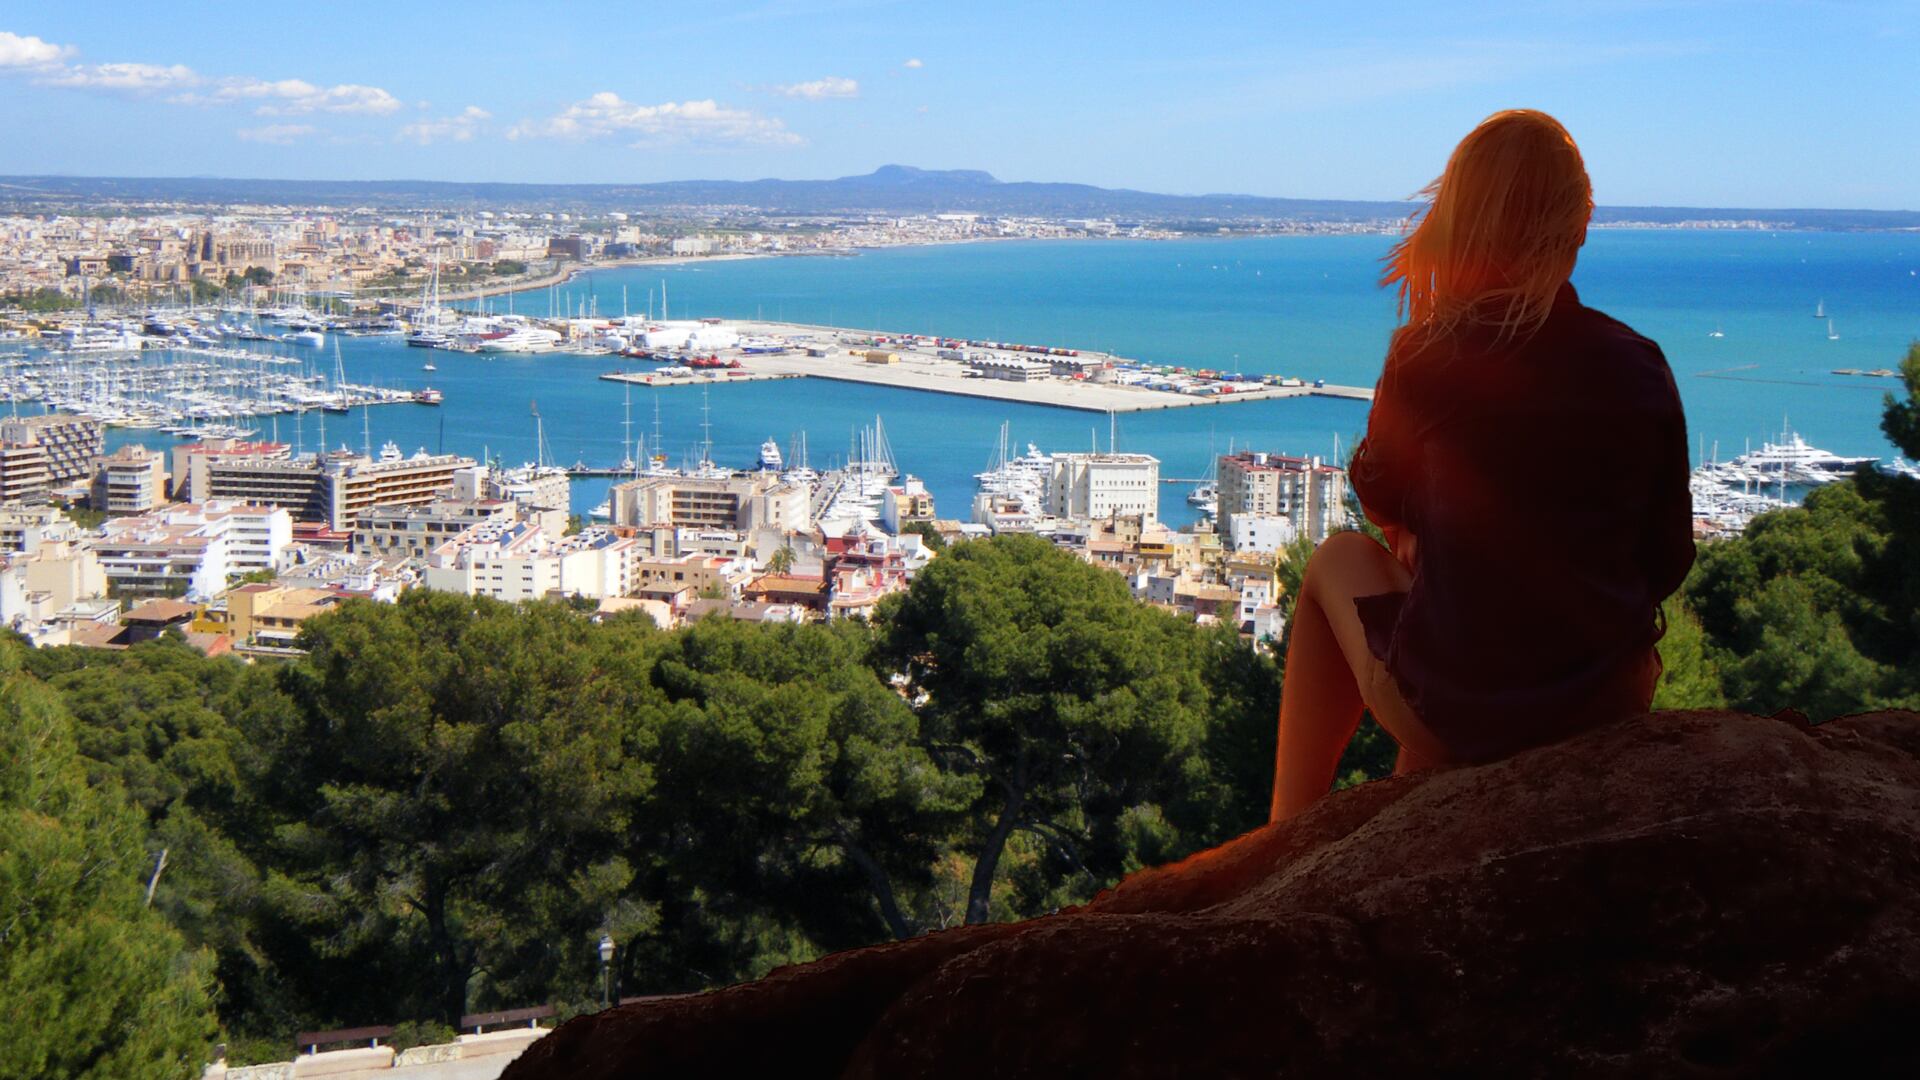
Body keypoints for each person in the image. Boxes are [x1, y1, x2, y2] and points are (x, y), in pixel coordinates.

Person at [1268, 109, 1695, 822]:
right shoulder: (1638, 362)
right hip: (1608, 698)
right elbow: (1669, 558)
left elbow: (1377, 493)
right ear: (1579, 227)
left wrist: (1420, 536)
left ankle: (1284, 832)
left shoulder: (1427, 356)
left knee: (1336, 558)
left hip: (1461, 715)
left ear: (1458, 220)